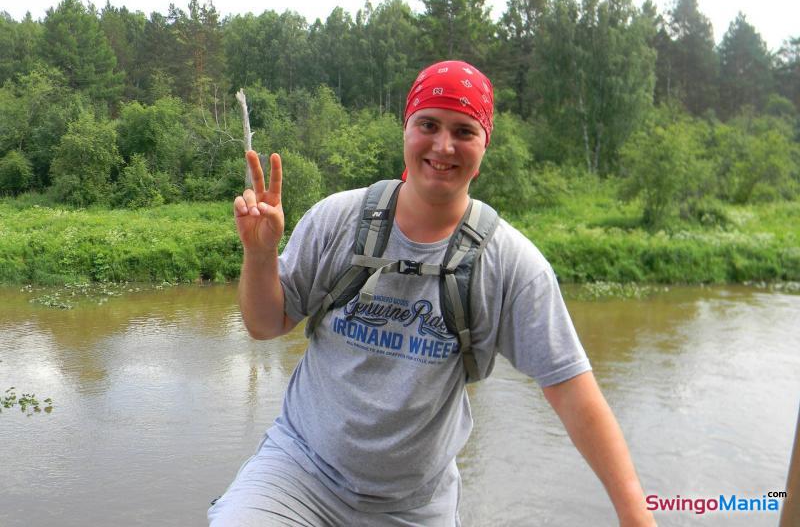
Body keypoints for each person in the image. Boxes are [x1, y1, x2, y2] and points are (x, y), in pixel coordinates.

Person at [210, 60, 656, 526]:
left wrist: (636, 516)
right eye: (429, 124)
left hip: (413, 507)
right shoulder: (337, 220)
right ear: (406, 130)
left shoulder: (509, 264)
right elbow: (265, 325)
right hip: (298, 475)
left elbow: (574, 393)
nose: (444, 146)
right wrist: (260, 255)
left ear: (485, 146)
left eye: (464, 131)